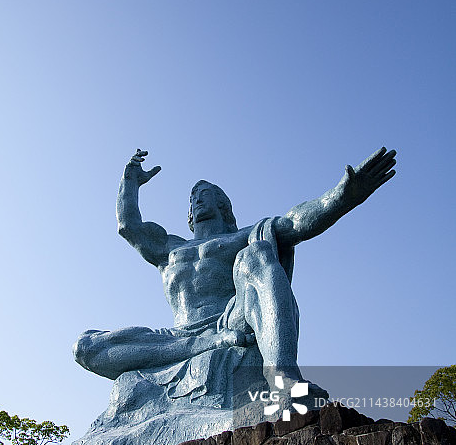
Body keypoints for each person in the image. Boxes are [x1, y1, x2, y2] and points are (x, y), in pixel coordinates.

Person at [74, 147, 396, 387]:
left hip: (232, 319)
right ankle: (198, 345)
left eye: (205, 195)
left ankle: (283, 380)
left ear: (222, 204)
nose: (197, 200)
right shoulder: (169, 248)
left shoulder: (245, 236)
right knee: (85, 346)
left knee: (255, 256)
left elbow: (298, 221)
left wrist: (343, 195)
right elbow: (128, 226)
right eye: (193, 198)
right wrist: (129, 181)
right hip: (180, 334)